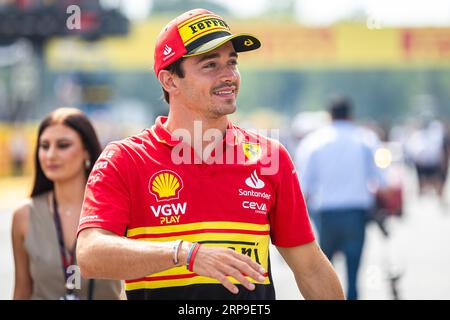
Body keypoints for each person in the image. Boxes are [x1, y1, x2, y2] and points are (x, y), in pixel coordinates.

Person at [76, 8, 344, 300]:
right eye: (210, 65)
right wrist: (185, 254)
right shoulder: (125, 159)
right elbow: (90, 254)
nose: (228, 76)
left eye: (232, 62)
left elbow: (310, 267)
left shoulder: (270, 157)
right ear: (170, 81)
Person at [11, 107, 122, 300]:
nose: (51, 154)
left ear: (86, 151)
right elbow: (22, 290)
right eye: (44, 146)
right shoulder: (24, 216)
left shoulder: (116, 209)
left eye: (63, 145)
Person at [295, 96, 385, 300]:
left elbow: (303, 186)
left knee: (324, 271)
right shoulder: (365, 139)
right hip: (356, 213)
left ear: (329, 116)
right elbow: (381, 182)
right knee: (353, 273)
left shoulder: (313, 142)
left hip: (324, 214)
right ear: (351, 115)